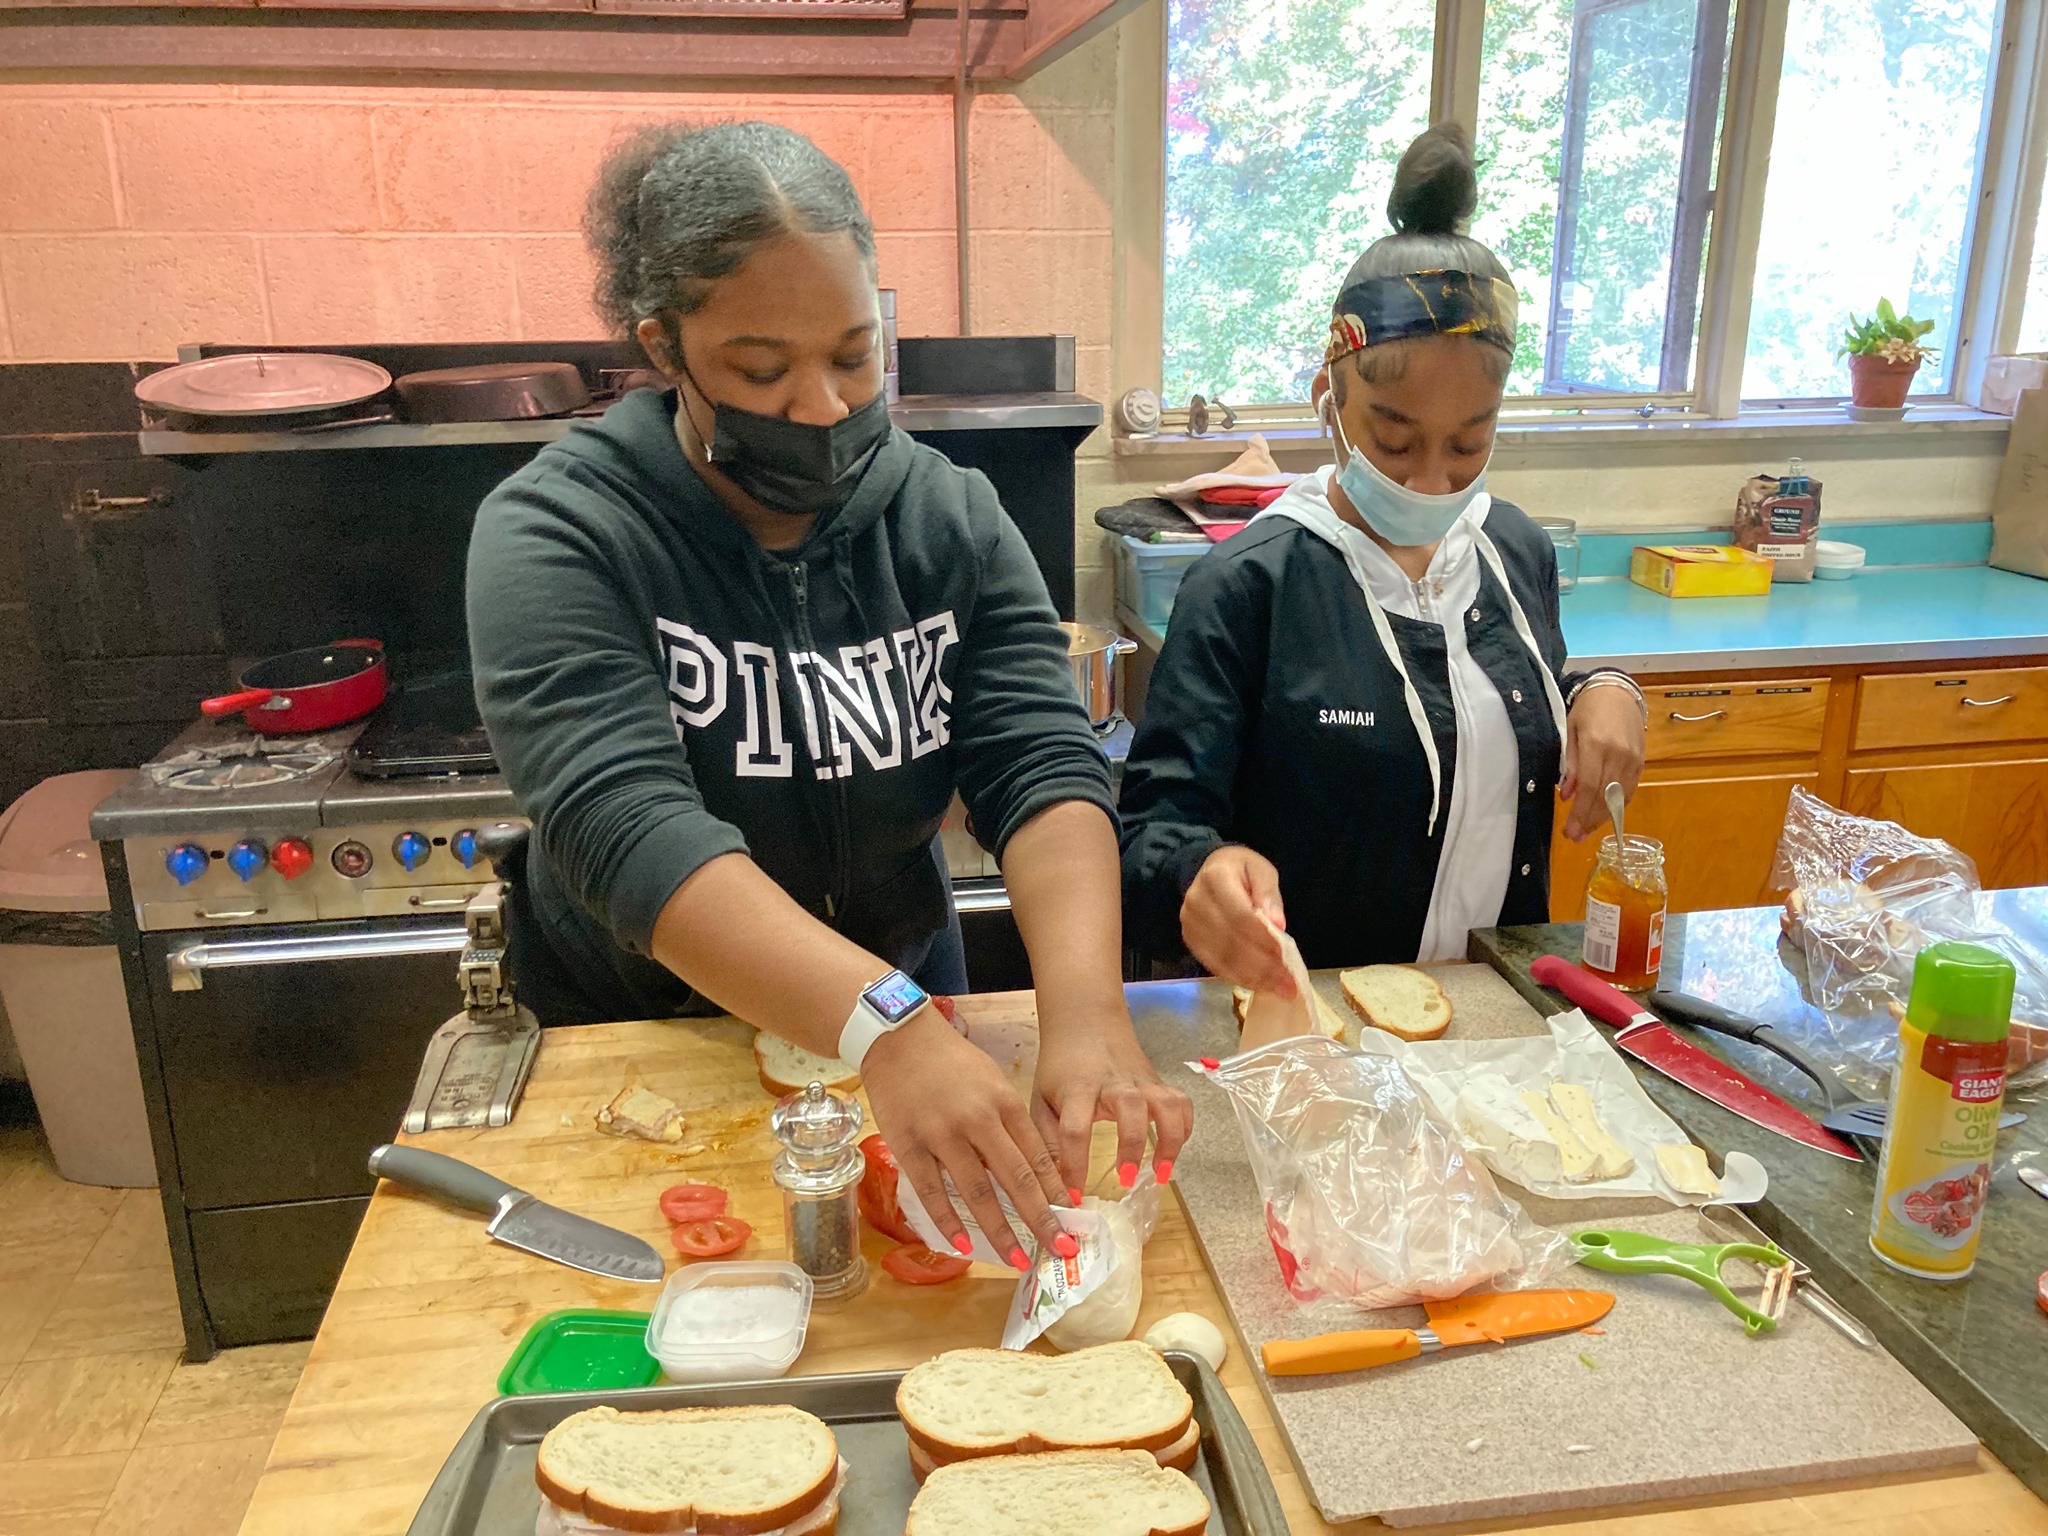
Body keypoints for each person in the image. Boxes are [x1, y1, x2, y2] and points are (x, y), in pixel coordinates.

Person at [467, 121, 1190, 1266]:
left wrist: (1087, 1011)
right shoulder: (560, 531)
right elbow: (626, 828)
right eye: (761, 369)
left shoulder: (944, 514)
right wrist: (881, 1031)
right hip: (656, 1038)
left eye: (854, 356)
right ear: (666, 349)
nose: (818, 406)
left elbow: (1036, 764)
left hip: (911, 1015)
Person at [1119, 124, 1648, 998]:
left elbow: (1492, 689)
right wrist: (1195, 876)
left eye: (1469, 445)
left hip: (1492, 1015)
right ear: (1330, 399)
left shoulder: (1511, 550)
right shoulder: (1251, 586)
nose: (1433, 479)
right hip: (1316, 1030)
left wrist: (1602, 689)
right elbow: (1153, 832)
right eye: (1394, 441)